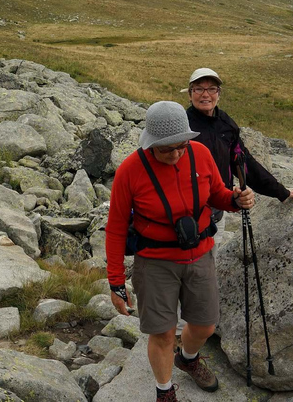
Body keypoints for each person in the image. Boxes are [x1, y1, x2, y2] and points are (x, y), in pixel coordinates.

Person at [106, 101, 255, 402]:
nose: (175, 154)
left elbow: (217, 194)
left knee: (205, 324)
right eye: (166, 149)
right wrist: (116, 282)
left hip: (199, 253)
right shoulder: (130, 171)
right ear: (151, 144)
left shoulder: (200, 154)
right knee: (161, 333)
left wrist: (235, 199)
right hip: (155, 262)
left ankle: (187, 358)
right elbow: (116, 227)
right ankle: (164, 392)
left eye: (182, 146)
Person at [184, 68, 292, 235]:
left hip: (218, 209)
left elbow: (244, 163)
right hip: (185, 211)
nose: (205, 94)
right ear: (190, 94)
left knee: (212, 258)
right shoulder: (182, 125)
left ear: (218, 94)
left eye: (212, 89)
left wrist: (281, 192)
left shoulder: (226, 124)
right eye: (199, 89)